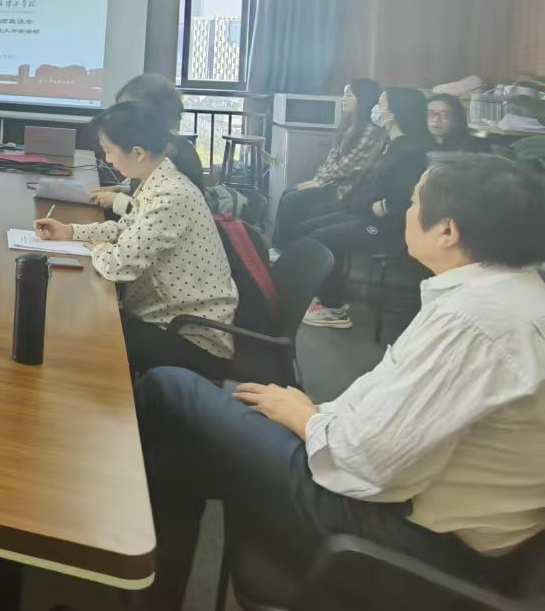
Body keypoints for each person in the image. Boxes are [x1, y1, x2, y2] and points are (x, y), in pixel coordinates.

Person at [131, 153, 545, 610]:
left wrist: (306, 420)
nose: (407, 212)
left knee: (168, 389)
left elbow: (368, 463)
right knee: (187, 444)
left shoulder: (477, 321)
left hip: (401, 534)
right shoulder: (512, 296)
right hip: (394, 493)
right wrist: (315, 417)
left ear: (447, 232)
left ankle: (142, 583)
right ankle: (153, 590)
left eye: (413, 202)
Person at [34, 102, 238, 378]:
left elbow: (119, 265)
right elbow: (124, 230)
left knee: (87, 336)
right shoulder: (157, 181)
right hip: (167, 319)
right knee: (84, 324)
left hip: (191, 338)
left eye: (109, 151)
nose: (107, 159)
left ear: (138, 153)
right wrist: (70, 231)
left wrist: (99, 250)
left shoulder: (170, 196)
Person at [296, 87, 432, 329]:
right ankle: (321, 294)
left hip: (385, 229)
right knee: (308, 227)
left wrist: (374, 206)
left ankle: (333, 309)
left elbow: (398, 203)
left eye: (381, 103)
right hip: (365, 214)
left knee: (322, 237)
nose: (375, 109)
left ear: (394, 113)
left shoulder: (410, 150)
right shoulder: (392, 142)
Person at [272, 79, 387, 252]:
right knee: (289, 193)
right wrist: (317, 180)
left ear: (363, 99)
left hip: (347, 192)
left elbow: (347, 167)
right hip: (332, 184)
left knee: (292, 201)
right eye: (343, 95)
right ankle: (278, 249)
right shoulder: (350, 125)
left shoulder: (371, 131)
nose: (343, 99)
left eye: (349, 95)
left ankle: (284, 251)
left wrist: (319, 182)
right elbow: (332, 158)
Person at [89, 73, 204, 213]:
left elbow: (163, 207)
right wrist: (122, 190)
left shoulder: (177, 153)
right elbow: (147, 191)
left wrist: (117, 200)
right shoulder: (150, 144)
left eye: (128, 110)